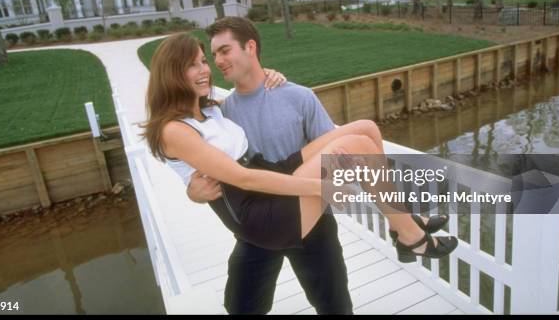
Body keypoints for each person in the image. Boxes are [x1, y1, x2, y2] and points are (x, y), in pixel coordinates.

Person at [162, 17, 456, 314]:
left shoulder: (297, 96)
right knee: (242, 308)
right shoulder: (223, 110)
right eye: (211, 56)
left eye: (223, 51)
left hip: (306, 208)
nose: (215, 63)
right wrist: (192, 192)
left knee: (366, 130)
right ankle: (406, 230)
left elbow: (334, 154)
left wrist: (336, 181)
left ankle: (400, 222)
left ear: (250, 47)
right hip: (263, 214)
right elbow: (198, 155)